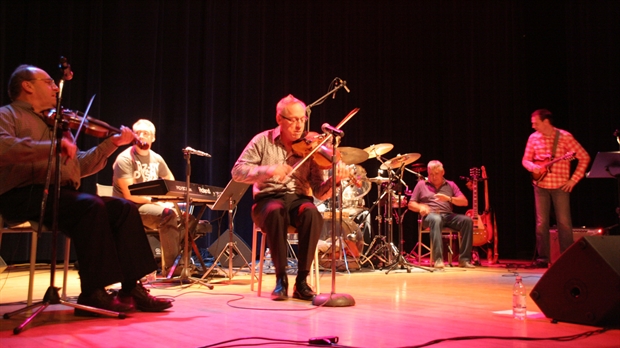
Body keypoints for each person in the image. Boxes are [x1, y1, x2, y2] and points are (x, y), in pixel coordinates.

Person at [0, 64, 172, 314]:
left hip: (61, 195)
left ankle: (131, 287)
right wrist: (50, 147)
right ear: (27, 85)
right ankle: (93, 292)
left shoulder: (58, 123)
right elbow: (4, 148)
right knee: (90, 206)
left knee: (123, 208)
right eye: (48, 82)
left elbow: (77, 166)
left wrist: (111, 144)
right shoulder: (8, 115)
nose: (53, 88)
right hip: (22, 193)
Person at [232, 94, 349, 301]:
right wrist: (268, 170)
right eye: (293, 120)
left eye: (302, 119)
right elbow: (238, 172)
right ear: (279, 119)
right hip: (268, 200)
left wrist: (335, 182)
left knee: (312, 213)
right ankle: (280, 279)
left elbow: (319, 192)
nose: (299, 126)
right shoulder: (263, 140)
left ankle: (302, 282)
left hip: (299, 200)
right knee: (275, 211)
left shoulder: (311, 148)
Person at [112, 119, 182, 277]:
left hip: (150, 205)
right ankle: (172, 270)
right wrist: (158, 202)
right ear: (133, 137)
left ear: (153, 138)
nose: (142, 136)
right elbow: (130, 195)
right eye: (138, 133)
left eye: (146, 133)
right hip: (129, 208)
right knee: (168, 215)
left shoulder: (157, 158)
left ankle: (180, 265)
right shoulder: (124, 159)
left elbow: (170, 181)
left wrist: (169, 201)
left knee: (188, 219)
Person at [522, 109, 590, 268]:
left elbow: (584, 157)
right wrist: (533, 167)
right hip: (540, 185)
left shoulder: (565, 137)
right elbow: (525, 160)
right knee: (541, 223)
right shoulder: (533, 138)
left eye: (535, 123)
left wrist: (573, 180)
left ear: (546, 122)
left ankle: (567, 258)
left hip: (560, 186)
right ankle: (542, 259)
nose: (533, 126)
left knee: (564, 223)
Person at [407, 160, 475, 269]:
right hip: (430, 216)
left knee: (467, 221)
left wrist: (449, 198)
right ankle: (438, 259)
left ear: (443, 172)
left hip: (448, 216)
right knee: (436, 219)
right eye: (430, 174)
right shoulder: (421, 184)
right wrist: (420, 207)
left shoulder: (450, 184)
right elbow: (411, 204)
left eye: (436, 174)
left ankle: (464, 259)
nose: (433, 177)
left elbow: (464, 202)